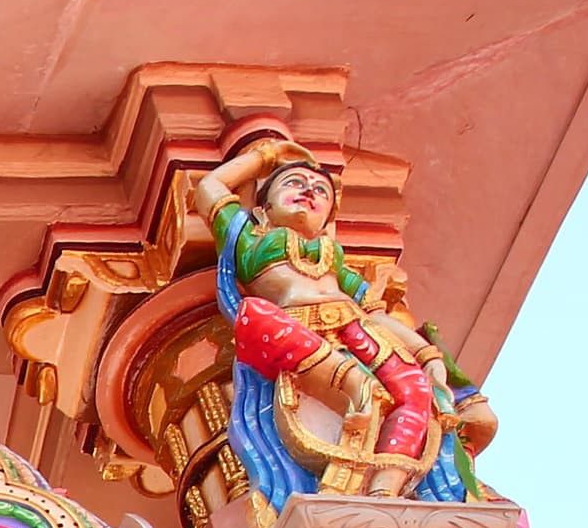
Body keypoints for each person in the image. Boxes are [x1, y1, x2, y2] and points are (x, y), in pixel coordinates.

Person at [196, 140, 488, 503]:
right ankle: (356, 388)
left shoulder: (334, 262)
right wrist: (267, 156)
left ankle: (385, 492)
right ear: (263, 208)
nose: (308, 192)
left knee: (415, 392)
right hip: (295, 328)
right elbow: (209, 188)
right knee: (253, 316)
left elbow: (376, 314)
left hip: (356, 330)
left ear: (327, 221)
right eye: (293, 183)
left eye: (320, 191)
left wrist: (427, 355)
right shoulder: (249, 240)